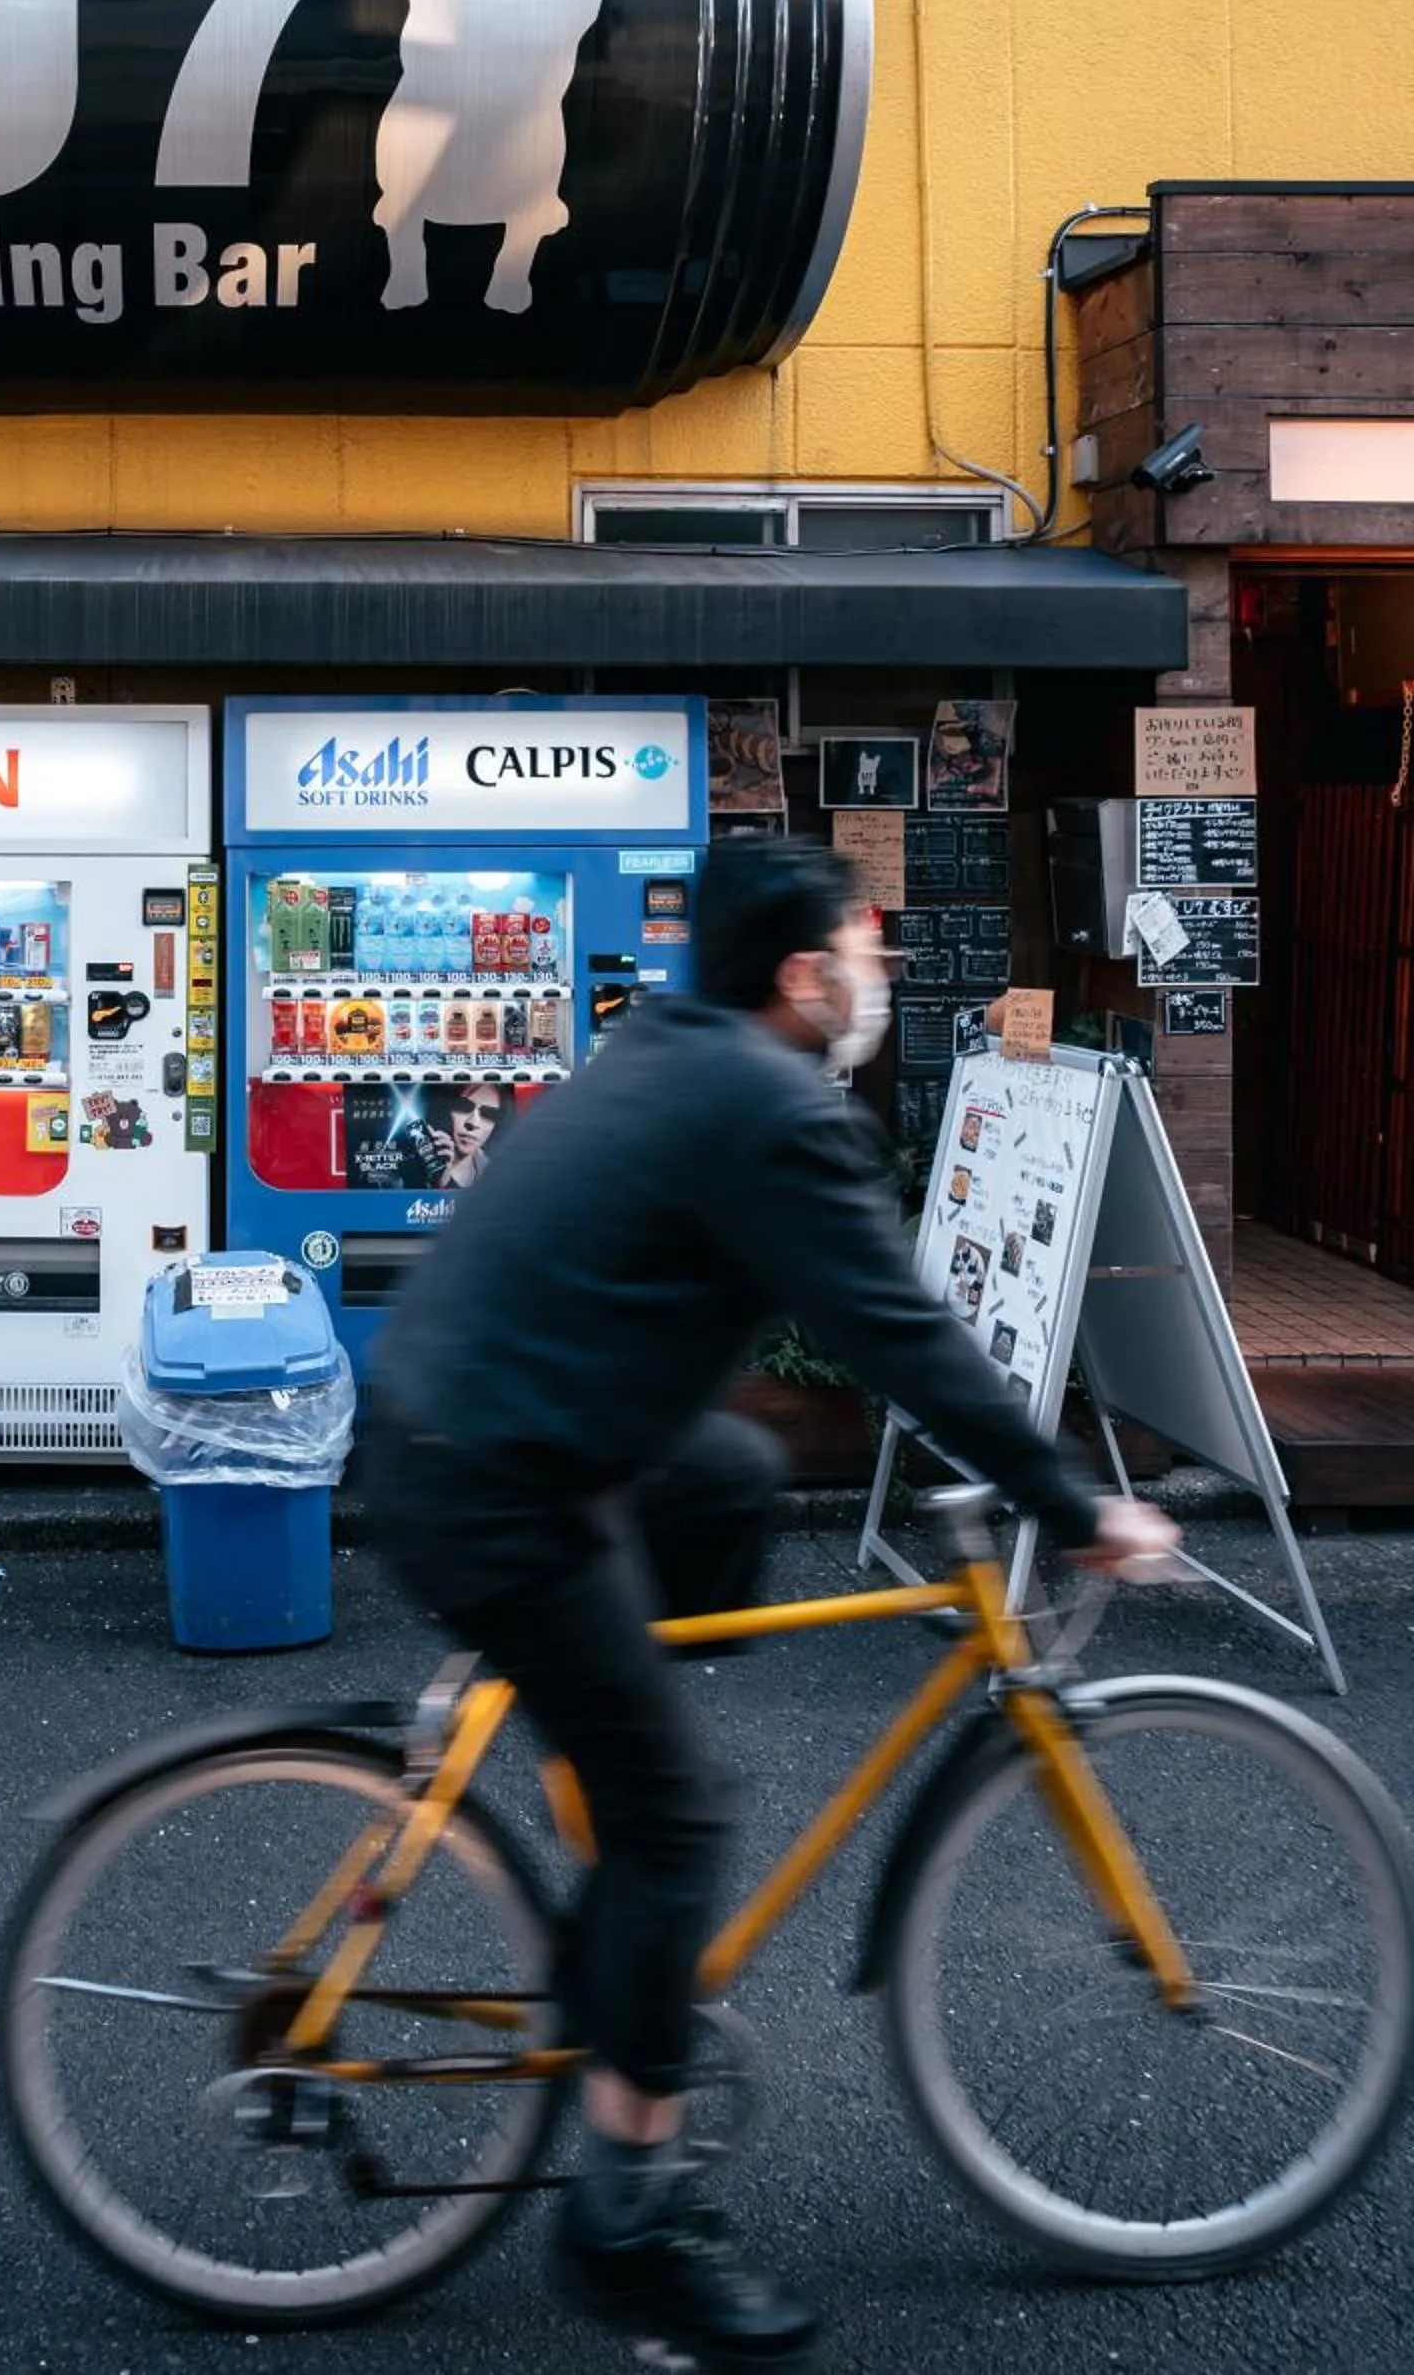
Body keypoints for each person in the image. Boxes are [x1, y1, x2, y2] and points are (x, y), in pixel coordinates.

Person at [365, 839, 1178, 2367]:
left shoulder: (666, 1046)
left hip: (484, 1430)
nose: (875, 975)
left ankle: (604, 1816)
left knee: (729, 1472)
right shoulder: (765, 1104)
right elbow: (901, 1335)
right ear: (801, 978)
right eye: (862, 950)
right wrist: (1071, 1500)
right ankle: (627, 2223)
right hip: (498, 1477)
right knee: (681, 1810)